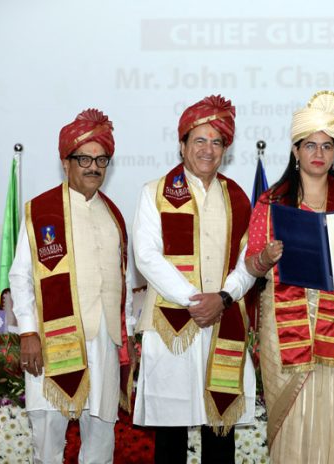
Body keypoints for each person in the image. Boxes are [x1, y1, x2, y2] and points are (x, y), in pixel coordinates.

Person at [244, 91, 334, 463]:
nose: (318, 154)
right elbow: (250, 265)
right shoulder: (270, 203)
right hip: (284, 327)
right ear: (295, 150)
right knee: (291, 416)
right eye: (310, 145)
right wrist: (266, 257)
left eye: (327, 146)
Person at [132, 94, 257, 463]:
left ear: (226, 149)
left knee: (220, 430)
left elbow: (248, 260)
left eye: (217, 142)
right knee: (170, 435)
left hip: (223, 320)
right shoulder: (154, 192)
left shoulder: (237, 197)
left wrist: (223, 297)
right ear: (182, 144)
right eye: (199, 140)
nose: (208, 149)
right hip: (171, 324)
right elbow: (146, 256)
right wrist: (194, 299)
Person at [9, 109, 134, 463]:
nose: (94, 167)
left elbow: (121, 284)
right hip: (54, 341)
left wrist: (126, 341)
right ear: (66, 162)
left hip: (105, 342)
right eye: (84, 159)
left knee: (101, 435)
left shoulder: (114, 215)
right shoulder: (41, 210)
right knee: (48, 435)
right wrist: (28, 333)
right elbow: (20, 276)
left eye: (101, 159)